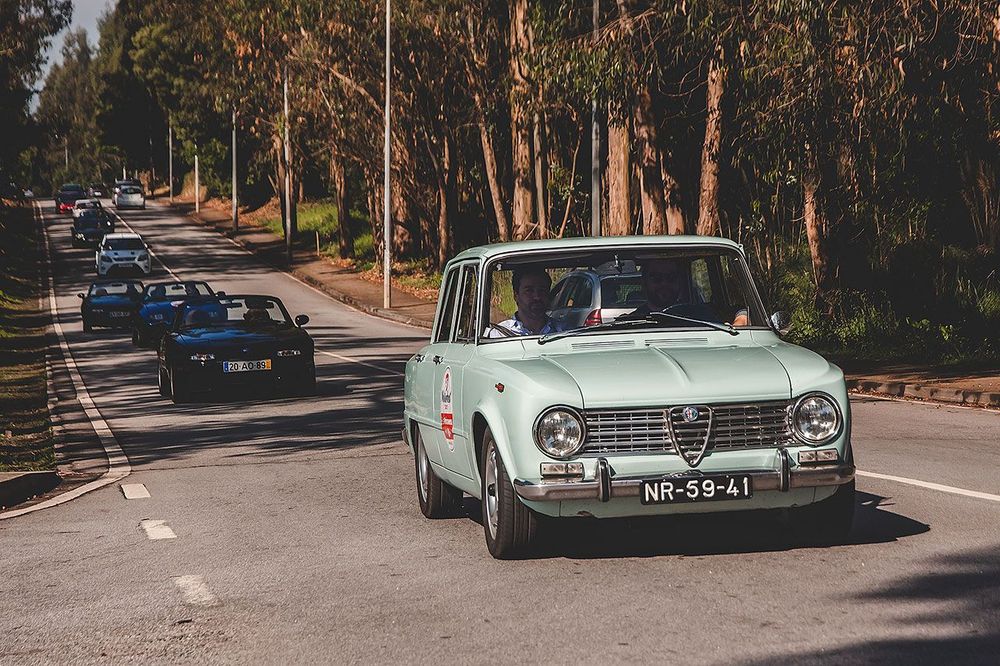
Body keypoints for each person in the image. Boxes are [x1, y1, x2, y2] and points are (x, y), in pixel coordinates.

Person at [487, 266, 567, 337]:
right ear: (516, 296)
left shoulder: (565, 332)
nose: (537, 297)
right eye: (529, 291)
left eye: (542, 290)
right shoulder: (499, 335)